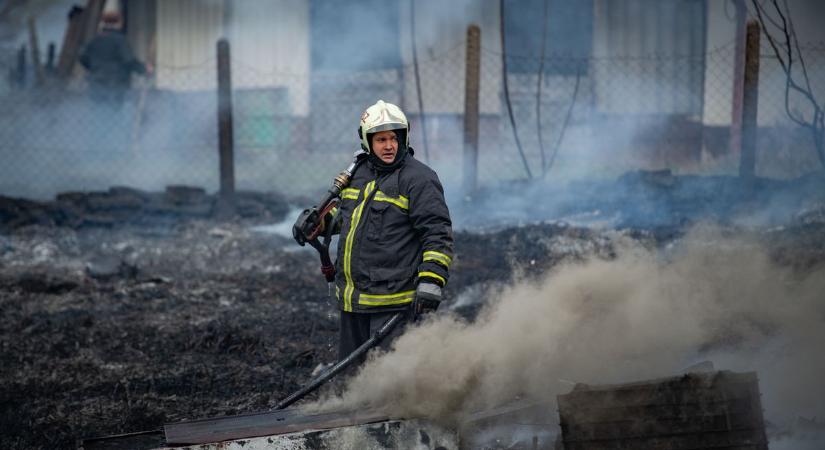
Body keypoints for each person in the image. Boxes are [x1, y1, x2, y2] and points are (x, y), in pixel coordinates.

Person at [296, 100, 454, 364]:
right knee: (352, 379)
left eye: (394, 137)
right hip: (353, 300)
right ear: (367, 142)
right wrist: (320, 224)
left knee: (389, 382)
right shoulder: (358, 174)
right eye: (381, 139)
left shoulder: (419, 179)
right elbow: (347, 216)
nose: (389, 145)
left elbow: (437, 233)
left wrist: (431, 279)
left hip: (393, 303)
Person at [79, 11, 150, 107]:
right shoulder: (120, 40)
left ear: (102, 23)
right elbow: (129, 60)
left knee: (97, 114)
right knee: (113, 114)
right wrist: (144, 69)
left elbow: (83, 58)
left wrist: (95, 68)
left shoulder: (94, 40)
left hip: (96, 84)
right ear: (119, 23)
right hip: (115, 85)